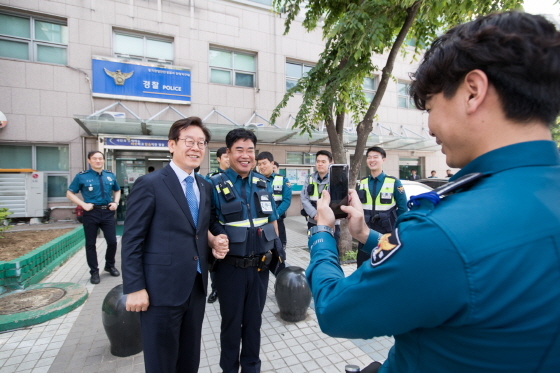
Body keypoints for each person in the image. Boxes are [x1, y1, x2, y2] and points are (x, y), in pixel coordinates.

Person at [306, 11, 560, 373]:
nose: (429, 126)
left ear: (473, 91)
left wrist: (320, 235)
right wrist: (367, 236)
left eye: (430, 105)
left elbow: (337, 311)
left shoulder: (445, 229)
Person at [121, 117, 229, 373]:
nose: (196, 148)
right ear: (171, 145)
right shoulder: (150, 184)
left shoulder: (204, 185)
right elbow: (132, 239)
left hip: (196, 286)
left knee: (189, 358)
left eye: (201, 143)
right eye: (189, 141)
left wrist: (214, 239)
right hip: (160, 291)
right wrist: (135, 287)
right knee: (161, 362)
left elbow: (200, 228)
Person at [208, 128, 280, 373]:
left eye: (250, 150)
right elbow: (207, 222)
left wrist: (279, 254)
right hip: (230, 270)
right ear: (228, 153)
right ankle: (229, 369)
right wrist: (216, 238)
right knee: (231, 326)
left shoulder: (262, 183)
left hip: (260, 268)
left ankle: (252, 368)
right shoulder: (213, 185)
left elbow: (272, 220)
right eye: (239, 150)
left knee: (253, 324)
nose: (245, 155)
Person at [67, 150, 121, 284]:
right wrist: (83, 205)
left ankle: (109, 266)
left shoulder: (109, 175)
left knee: (112, 242)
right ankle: (94, 272)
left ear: (103, 160)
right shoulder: (82, 177)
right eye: (95, 159)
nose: (98, 161)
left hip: (107, 212)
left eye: (100, 159)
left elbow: (117, 190)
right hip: (91, 213)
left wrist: (116, 202)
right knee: (91, 244)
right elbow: (69, 193)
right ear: (89, 161)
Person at [355, 146, 407, 267]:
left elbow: (403, 209)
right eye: (369, 157)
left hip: (386, 233)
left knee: (385, 265)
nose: (371, 160)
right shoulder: (361, 182)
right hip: (365, 232)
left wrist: (396, 230)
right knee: (363, 265)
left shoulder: (394, 182)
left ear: (383, 159)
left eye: (375, 157)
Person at [205, 146, 230, 304]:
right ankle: (215, 289)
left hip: (234, 229)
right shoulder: (211, 178)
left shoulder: (236, 177)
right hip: (216, 228)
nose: (228, 159)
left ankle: (227, 288)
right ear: (219, 159)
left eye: (230, 156)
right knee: (216, 262)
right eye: (225, 157)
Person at [301, 150, 340, 244]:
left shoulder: (337, 180)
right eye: (318, 161)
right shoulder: (309, 178)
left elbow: (339, 201)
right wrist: (314, 214)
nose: (320, 164)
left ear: (331, 163)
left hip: (331, 222)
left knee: (332, 249)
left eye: (323, 162)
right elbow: (304, 198)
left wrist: (325, 216)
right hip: (313, 221)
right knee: (314, 248)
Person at [256, 151, 292, 249]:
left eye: (264, 163)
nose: (262, 166)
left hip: (278, 220)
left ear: (272, 163)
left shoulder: (283, 180)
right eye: (259, 164)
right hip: (260, 222)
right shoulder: (255, 180)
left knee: (279, 248)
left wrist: (274, 215)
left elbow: (287, 200)